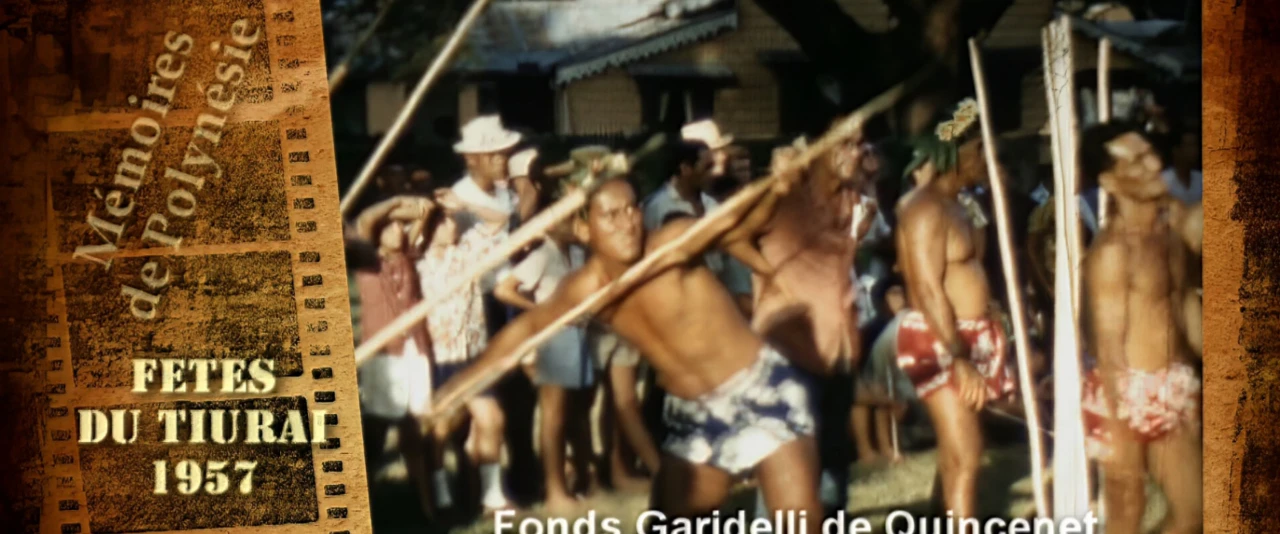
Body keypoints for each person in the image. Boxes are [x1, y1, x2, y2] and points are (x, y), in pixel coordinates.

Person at [428, 154, 824, 530]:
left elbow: (733, 226)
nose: (628, 222)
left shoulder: (671, 242)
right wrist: (455, 387)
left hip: (761, 390)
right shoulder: (586, 288)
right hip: (695, 415)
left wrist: (776, 188)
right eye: (611, 215)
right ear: (585, 228)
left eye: (632, 209)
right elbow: (524, 331)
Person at [893, 101, 1016, 518]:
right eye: (980, 150)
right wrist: (958, 357)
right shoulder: (923, 208)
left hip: (969, 334)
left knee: (958, 451)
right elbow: (926, 288)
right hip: (939, 339)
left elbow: (977, 262)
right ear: (951, 151)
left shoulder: (960, 204)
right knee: (967, 455)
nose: (988, 159)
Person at [1078, 124, 1202, 534]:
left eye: (1150, 153)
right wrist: (1120, 421)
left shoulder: (1168, 234)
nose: (1154, 165)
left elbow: (1183, 306)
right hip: (1125, 391)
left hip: (1173, 384)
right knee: (1127, 510)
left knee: (1194, 512)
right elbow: (1109, 349)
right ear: (1108, 182)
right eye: (1135, 161)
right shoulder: (1112, 252)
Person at [414, 191, 514, 514]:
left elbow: (499, 221)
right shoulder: (418, 261)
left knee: (492, 418)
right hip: (440, 358)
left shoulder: (468, 251)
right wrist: (422, 211)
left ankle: (492, 496)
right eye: (443, 221)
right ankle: (440, 486)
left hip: (473, 352)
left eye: (451, 218)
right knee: (442, 429)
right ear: (431, 227)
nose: (451, 224)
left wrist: (465, 204)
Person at [493, 219, 595, 514]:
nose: (573, 225)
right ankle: (554, 491)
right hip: (552, 340)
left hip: (578, 336)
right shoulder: (541, 256)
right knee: (553, 416)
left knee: (576, 413)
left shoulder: (576, 254)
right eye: (565, 221)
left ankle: (580, 477)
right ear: (550, 226)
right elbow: (504, 289)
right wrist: (542, 311)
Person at [352, 195, 438, 517]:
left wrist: (418, 213)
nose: (399, 231)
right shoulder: (366, 261)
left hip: (416, 350)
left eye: (402, 226)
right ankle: (365, 501)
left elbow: (425, 215)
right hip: (385, 354)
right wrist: (396, 201)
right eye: (391, 228)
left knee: (417, 426)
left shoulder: (408, 257)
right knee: (377, 428)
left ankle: (426, 506)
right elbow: (365, 220)